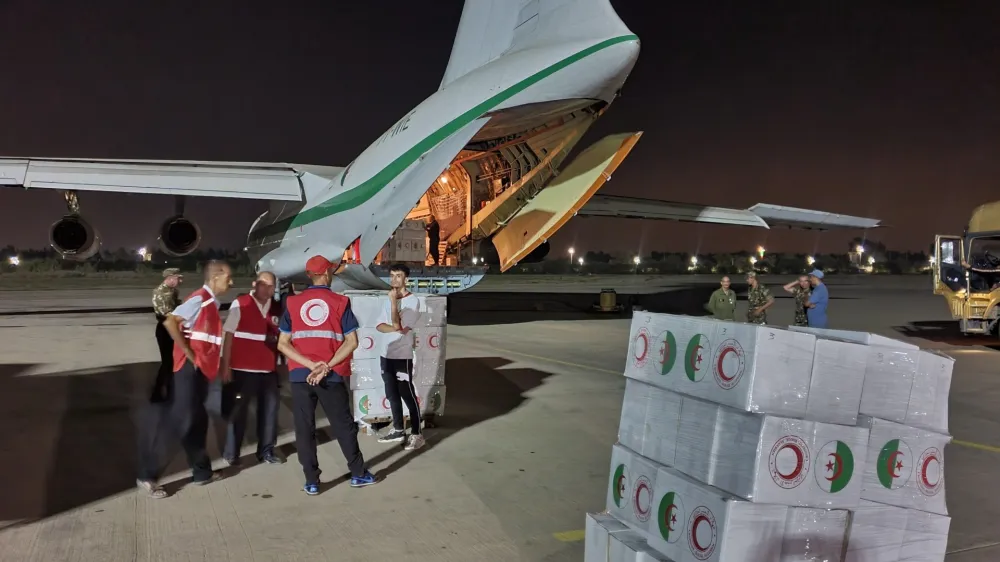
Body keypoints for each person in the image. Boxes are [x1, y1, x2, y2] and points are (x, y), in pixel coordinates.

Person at [277, 255, 378, 496]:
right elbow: (351, 342)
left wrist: (310, 365)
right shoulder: (340, 302)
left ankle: (311, 481)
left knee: (304, 429)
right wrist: (325, 366)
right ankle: (358, 474)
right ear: (325, 274)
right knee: (343, 426)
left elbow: (283, 343)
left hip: (301, 377)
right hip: (330, 377)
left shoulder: (292, 303)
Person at [136, 260, 232, 498]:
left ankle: (202, 473)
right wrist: (188, 354)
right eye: (227, 277)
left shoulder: (211, 303)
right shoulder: (200, 299)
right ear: (215, 277)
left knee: (197, 421)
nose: (230, 282)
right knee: (179, 421)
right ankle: (148, 475)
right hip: (188, 370)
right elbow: (171, 322)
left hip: (201, 373)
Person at [220, 271, 285, 466]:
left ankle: (266, 451)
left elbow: (279, 339)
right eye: (264, 284)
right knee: (238, 414)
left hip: (267, 372)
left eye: (272, 286)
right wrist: (225, 366)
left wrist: (280, 366)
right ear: (254, 284)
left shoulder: (276, 309)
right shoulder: (240, 304)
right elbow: (228, 336)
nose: (268, 289)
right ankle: (232, 453)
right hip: (241, 371)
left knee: (269, 414)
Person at [375, 264, 425, 450]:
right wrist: (394, 328)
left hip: (402, 356)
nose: (394, 279)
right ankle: (398, 429)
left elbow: (399, 325)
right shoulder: (387, 298)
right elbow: (380, 326)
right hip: (385, 354)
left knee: (408, 394)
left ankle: (417, 434)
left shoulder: (413, 302)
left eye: (398, 276)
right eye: (392, 275)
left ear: (406, 279)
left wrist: (394, 303)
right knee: (392, 394)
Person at [151, 268, 183, 402]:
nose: (180, 280)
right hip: (165, 328)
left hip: (172, 327)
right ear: (169, 278)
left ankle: (168, 392)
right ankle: (159, 393)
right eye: (177, 278)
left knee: (171, 362)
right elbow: (168, 314)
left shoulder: (172, 291)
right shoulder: (161, 293)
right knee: (167, 362)